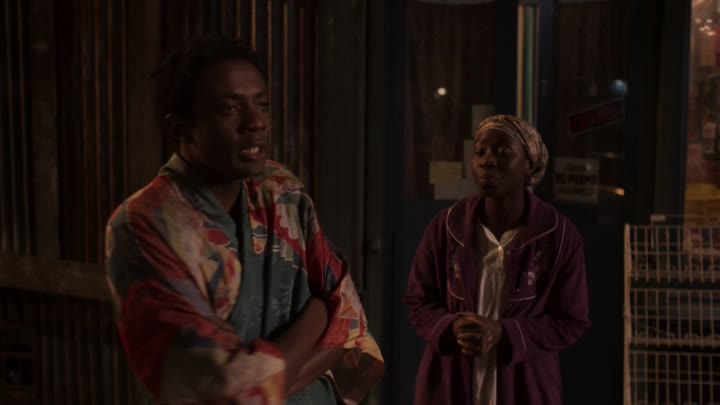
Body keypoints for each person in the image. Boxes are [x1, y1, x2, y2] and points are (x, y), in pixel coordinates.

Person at [105, 37, 383, 404]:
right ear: (179, 127)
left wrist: (268, 381)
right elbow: (226, 388)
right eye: (229, 108)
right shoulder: (145, 224)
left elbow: (351, 319)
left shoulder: (280, 191)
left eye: (262, 104)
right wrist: (318, 313)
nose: (256, 122)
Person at [404, 115, 590, 405]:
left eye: (503, 153)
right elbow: (418, 300)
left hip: (525, 386)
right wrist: (452, 327)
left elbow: (571, 321)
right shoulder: (447, 227)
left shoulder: (558, 236)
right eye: (480, 152)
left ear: (528, 164)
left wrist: (504, 332)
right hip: (451, 383)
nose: (487, 161)